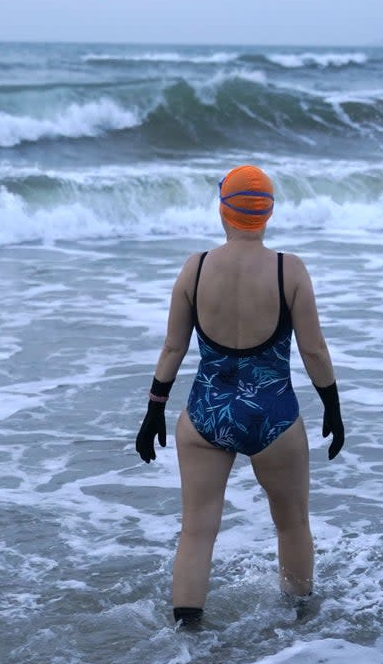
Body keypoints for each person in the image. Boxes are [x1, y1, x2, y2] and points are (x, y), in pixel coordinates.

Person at [134, 165, 345, 629]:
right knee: (291, 524)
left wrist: (154, 409)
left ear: (223, 209)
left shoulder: (197, 267)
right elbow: (313, 349)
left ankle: (186, 635)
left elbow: (173, 347)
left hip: (206, 414)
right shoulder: (288, 269)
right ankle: (299, 622)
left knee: (197, 529)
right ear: (267, 212)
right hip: (274, 417)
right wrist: (332, 404)